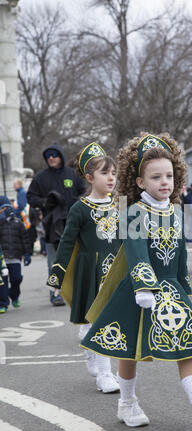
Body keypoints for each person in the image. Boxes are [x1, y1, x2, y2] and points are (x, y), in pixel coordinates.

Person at [81, 133, 192, 431]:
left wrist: (184, 287)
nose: (164, 181)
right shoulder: (131, 211)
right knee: (129, 351)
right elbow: (136, 249)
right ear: (140, 182)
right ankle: (127, 403)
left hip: (171, 292)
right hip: (138, 291)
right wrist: (143, 287)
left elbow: (179, 256)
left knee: (186, 351)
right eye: (155, 177)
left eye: (169, 175)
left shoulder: (178, 213)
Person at [47, 142, 120, 393]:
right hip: (91, 271)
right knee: (97, 320)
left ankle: (97, 358)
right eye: (104, 173)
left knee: (110, 321)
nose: (111, 178)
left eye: (113, 173)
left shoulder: (120, 205)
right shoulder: (79, 208)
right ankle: (105, 374)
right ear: (89, 178)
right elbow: (67, 243)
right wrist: (57, 273)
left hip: (116, 272)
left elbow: (132, 239)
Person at [27, 143, 86, 306]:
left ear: (61, 156)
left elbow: (84, 191)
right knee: (54, 261)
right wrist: (45, 202)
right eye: (48, 156)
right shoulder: (40, 177)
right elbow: (30, 197)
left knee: (76, 259)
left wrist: (77, 204)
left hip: (74, 223)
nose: (51, 158)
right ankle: (55, 294)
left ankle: (77, 292)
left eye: (54, 155)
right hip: (52, 226)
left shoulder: (73, 174)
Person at [0, 196, 31, 313]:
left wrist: (27, 253)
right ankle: (3, 303)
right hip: (2, 259)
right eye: (3, 208)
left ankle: (14, 295)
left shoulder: (18, 222)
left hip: (15, 257)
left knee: (16, 278)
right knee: (2, 283)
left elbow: (25, 238)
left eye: (8, 207)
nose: (6, 210)